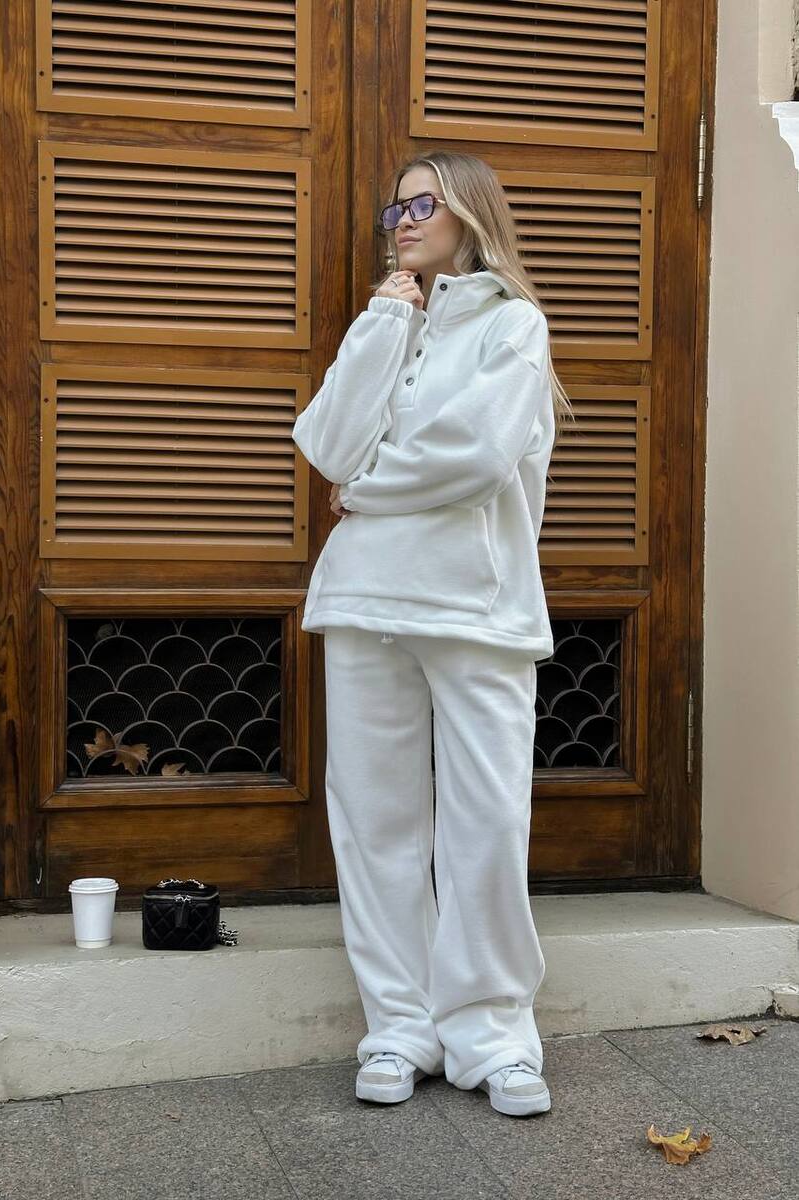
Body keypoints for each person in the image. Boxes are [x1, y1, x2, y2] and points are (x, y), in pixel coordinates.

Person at [291, 151, 575, 1118]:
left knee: (484, 824)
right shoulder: (388, 321)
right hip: (362, 597)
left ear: (469, 213)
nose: (403, 221)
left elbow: (475, 455)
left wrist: (364, 492)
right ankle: (398, 1028)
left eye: (424, 204)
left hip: (475, 607)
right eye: (396, 208)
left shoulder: (513, 323)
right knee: (374, 825)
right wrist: (383, 323)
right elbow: (325, 443)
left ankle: (493, 1035)